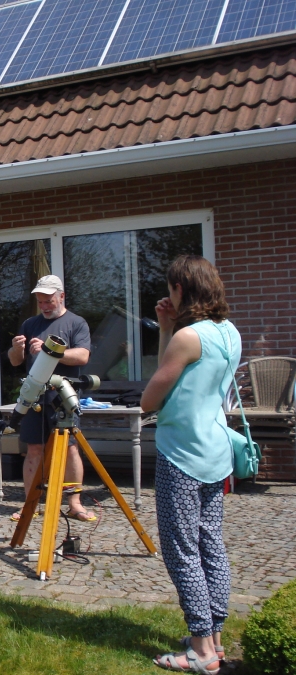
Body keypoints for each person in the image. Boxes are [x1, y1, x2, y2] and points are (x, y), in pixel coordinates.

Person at [142, 256, 239, 675]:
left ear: (180, 288)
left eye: (171, 288)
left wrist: (172, 333)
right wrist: (167, 327)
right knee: (210, 544)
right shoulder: (228, 331)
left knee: (182, 550)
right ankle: (214, 639)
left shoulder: (189, 338)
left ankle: (201, 652)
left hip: (182, 452)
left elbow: (151, 398)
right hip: (215, 451)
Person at [6, 274, 93, 521]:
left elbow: (82, 356)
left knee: (70, 448)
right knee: (33, 449)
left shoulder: (76, 322)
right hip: (35, 396)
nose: (44, 306)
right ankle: (30, 504)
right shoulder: (30, 324)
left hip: (63, 397)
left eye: (48, 301)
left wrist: (51, 351)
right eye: (40, 302)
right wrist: (16, 349)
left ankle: (74, 504)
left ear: (61, 296)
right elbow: (15, 361)